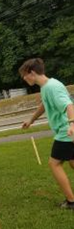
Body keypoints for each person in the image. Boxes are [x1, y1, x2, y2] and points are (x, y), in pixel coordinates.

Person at [19, 58, 74, 209]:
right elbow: (44, 104)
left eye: (25, 75)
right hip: (67, 130)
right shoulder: (46, 87)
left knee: (54, 163)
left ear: (32, 72)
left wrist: (72, 124)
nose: (24, 78)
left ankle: (71, 201)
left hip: (66, 131)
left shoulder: (52, 87)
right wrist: (31, 120)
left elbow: (69, 105)